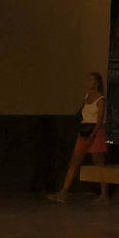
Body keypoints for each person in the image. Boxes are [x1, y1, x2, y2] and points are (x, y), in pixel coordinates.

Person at [48, 72, 110, 203]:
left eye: (91, 80)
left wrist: (92, 135)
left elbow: (99, 120)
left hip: (95, 133)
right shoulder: (87, 96)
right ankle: (63, 192)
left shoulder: (101, 100)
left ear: (97, 83)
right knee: (74, 162)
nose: (88, 82)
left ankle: (104, 194)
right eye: (88, 79)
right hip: (84, 131)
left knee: (99, 164)